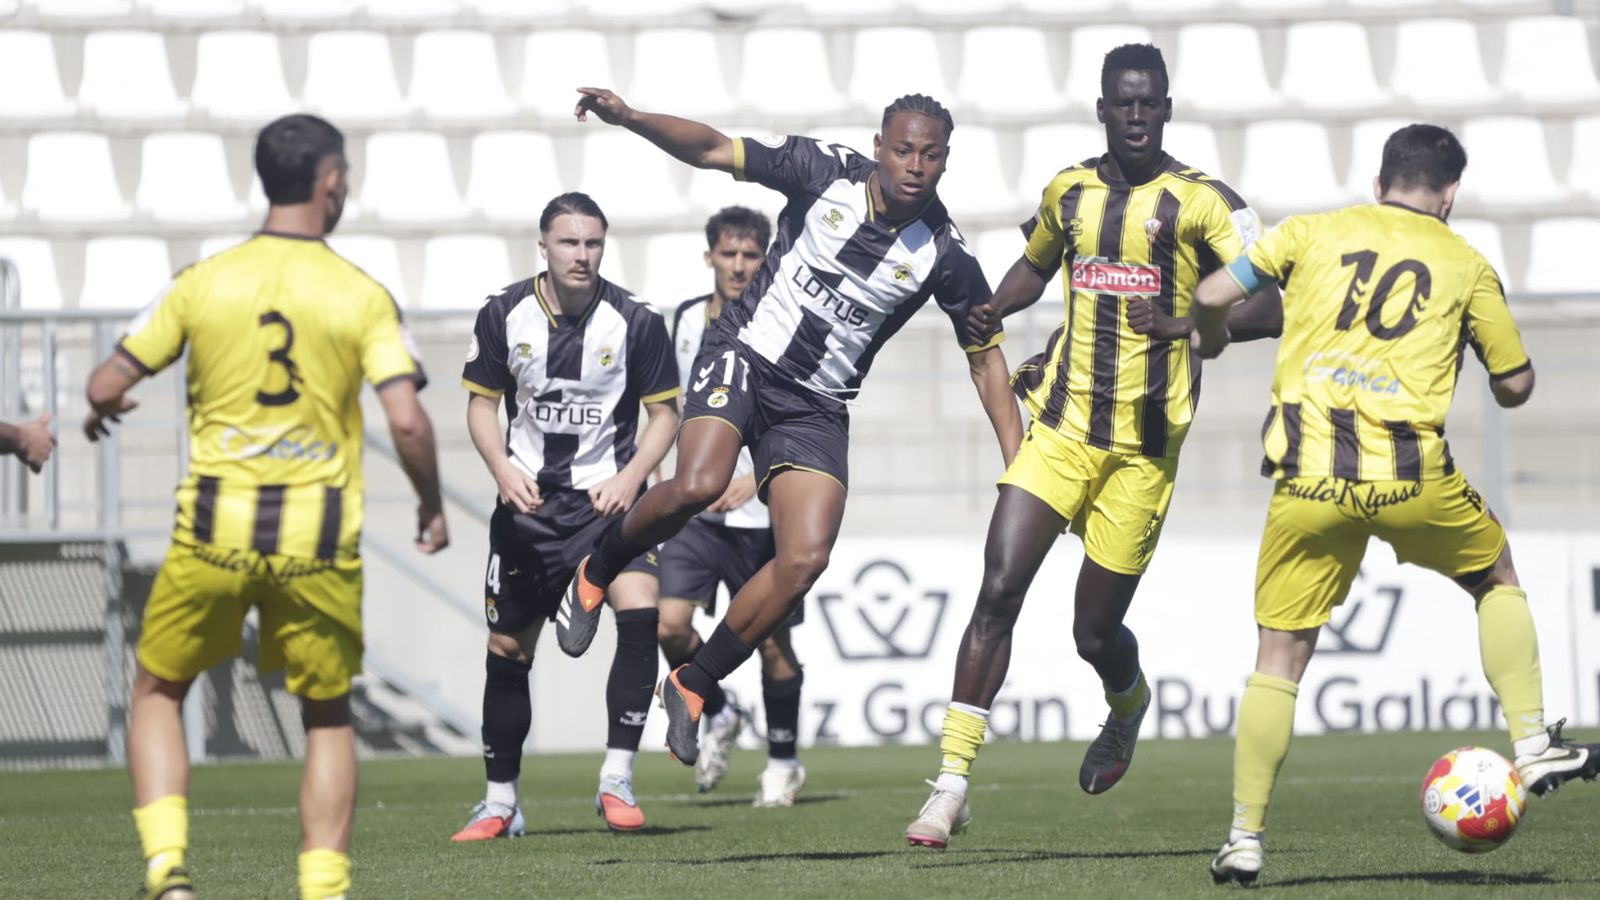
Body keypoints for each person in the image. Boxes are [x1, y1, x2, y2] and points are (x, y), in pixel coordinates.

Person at [566, 87, 1023, 768]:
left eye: (930, 155)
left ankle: (693, 683)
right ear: (878, 147)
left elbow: (985, 360)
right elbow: (713, 149)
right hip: (745, 355)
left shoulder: (945, 255)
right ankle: (598, 568)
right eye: (903, 150)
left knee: (806, 559)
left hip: (816, 404)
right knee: (699, 484)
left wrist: (1020, 466)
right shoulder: (822, 171)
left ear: (946, 161)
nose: (915, 165)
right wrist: (630, 118)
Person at [1194, 123, 1600, 886]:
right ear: (1450, 194)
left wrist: (1211, 338)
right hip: (1412, 477)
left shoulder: (1311, 232)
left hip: (1308, 478)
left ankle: (1244, 838)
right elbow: (1515, 386)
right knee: (1495, 574)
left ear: (1379, 183)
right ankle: (1532, 742)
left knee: (1279, 655)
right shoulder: (1467, 264)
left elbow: (1211, 293)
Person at [904, 43, 1283, 850]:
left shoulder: (1206, 201)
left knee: (1093, 635)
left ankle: (1127, 701)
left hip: (1143, 451)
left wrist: (1182, 323)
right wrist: (996, 307)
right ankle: (950, 785)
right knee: (998, 590)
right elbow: (1035, 266)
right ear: (1102, 108)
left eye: (1149, 103)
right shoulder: (1069, 191)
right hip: (1061, 429)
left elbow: (1272, 302)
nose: (1137, 116)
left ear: (1166, 109)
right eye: (1123, 103)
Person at [85, 113, 446, 900]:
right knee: (327, 714)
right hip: (317, 539)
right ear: (331, 182)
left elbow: (106, 381)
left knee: (158, 690)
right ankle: (322, 887)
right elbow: (409, 422)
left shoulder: (201, 281)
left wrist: (102, 406)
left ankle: (168, 871)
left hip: (212, 531)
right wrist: (431, 506)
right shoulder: (361, 293)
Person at [452, 192, 680, 840]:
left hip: (611, 506)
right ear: (544, 246)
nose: (582, 255)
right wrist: (502, 468)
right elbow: (481, 404)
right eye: (569, 242)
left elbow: (666, 414)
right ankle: (500, 802)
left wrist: (631, 478)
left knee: (641, 612)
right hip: (529, 509)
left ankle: (617, 779)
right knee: (507, 649)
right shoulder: (503, 312)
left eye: (593, 243)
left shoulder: (637, 320)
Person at [659, 206, 808, 806]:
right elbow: (676, 408)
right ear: (710, 257)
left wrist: (754, 479)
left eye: (750, 255)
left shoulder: (787, 319)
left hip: (758, 513)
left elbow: (798, 414)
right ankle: (719, 709)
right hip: (697, 513)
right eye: (729, 254)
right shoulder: (686, 321)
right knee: (669, 624)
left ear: (765, 258)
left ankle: (784, 761)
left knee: (772, 644)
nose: (739, 265)